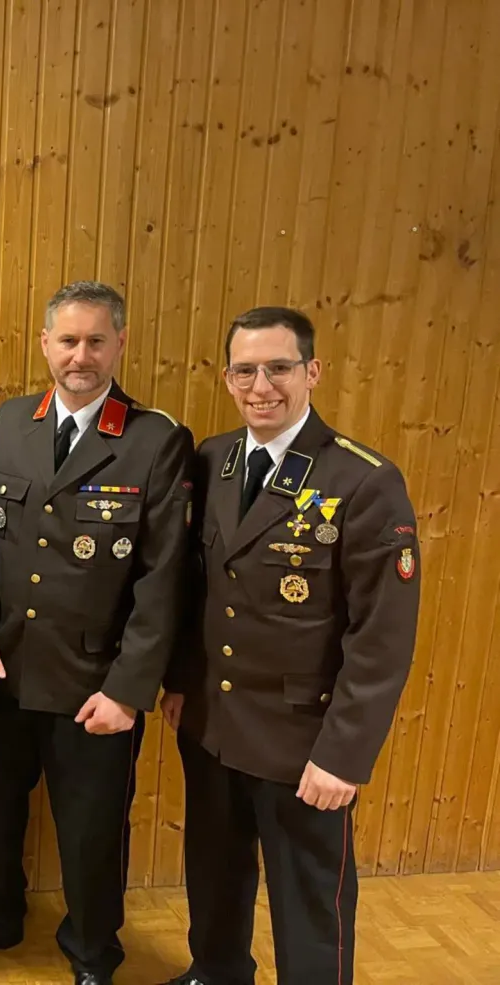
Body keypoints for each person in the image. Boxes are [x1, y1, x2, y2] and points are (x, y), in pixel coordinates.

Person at [0, 282, 194, 985]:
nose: (81, 354)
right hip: (4, 668)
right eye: (68, 340)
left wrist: (129, 690)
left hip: (95, 683)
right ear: (46, 343)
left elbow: (162, 581)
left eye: (96, 340)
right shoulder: (13, 421)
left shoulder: (155, 440)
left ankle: (91, 950)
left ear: (120, 344)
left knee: (90, 831)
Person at [159, 306, 421, 985]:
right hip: (215, 724)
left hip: (303, 741)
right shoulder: (214, 459)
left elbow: (382, 637)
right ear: (226, 378)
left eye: (278, 367)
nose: (261, 385)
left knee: (310, 905)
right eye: (245, 370)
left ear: (312, 371)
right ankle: (215, 973)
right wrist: (182, 682)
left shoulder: (363, 480)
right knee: (214, 877)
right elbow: (199, 590)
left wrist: (344, 753)